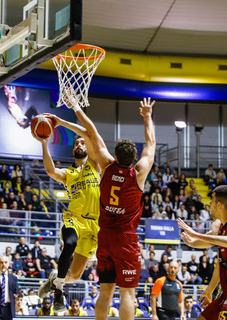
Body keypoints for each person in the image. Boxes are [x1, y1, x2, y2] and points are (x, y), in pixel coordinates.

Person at [63, 95, 155, 320]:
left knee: (105, 291)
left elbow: (91, 132)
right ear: (134, 158)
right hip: (125, 239)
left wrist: (75, 106)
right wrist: (147, 117)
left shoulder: (106, 166)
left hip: (104, 236)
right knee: (127, 293)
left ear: (114, 156)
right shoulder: (139, 173)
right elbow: (151, 143)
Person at [34, 114, 101, 312]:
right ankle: (58, 292)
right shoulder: (68, 173)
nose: (80, 144)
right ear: (73, 150)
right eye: (77, 143)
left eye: (82, 142)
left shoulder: (95, 164)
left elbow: (88, 134)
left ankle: (55, 278)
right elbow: (50, 170)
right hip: (74, 219)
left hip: (94, 225)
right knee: (69, 243)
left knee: (76, 275)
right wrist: (45, 143)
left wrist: (61, 122)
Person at [178, 185, 227, 320]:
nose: (209, 205)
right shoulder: (222, 226)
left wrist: (196, 235)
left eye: (211, 202)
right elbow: (221, 264)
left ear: (219, 205)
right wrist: (209, 291)